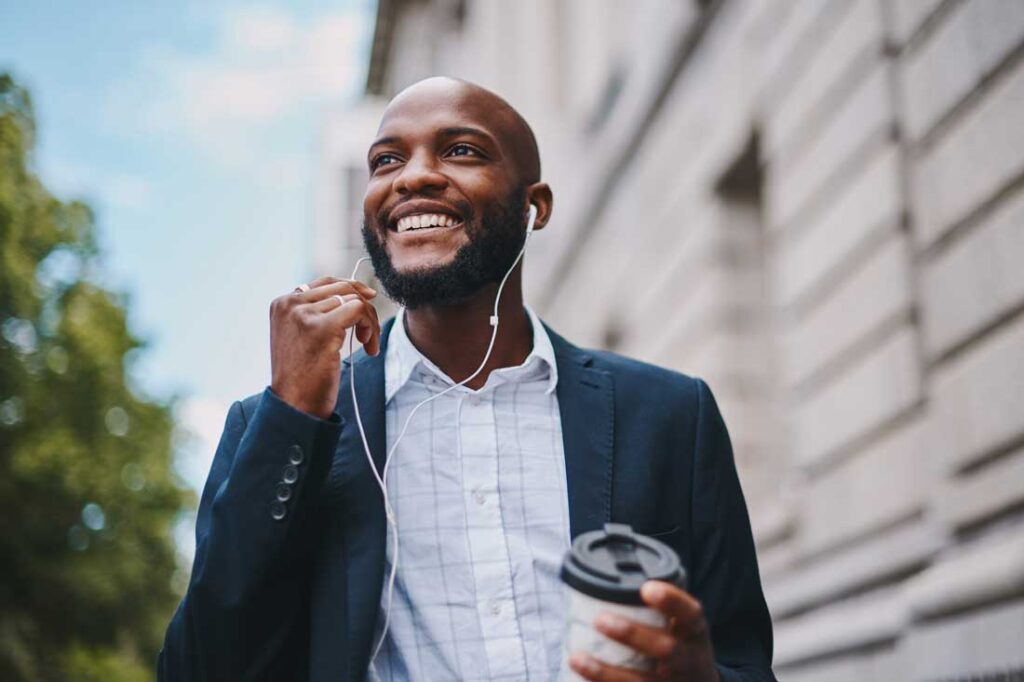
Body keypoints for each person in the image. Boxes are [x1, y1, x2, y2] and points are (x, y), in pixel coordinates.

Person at [159, 76, 775, 682]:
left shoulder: (671, 414)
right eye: (385, 160)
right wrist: (290, 418)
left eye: (461, 150)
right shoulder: (281, 425)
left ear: (535, 207)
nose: (412, 176)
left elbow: (745, 663)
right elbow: (201, 668)